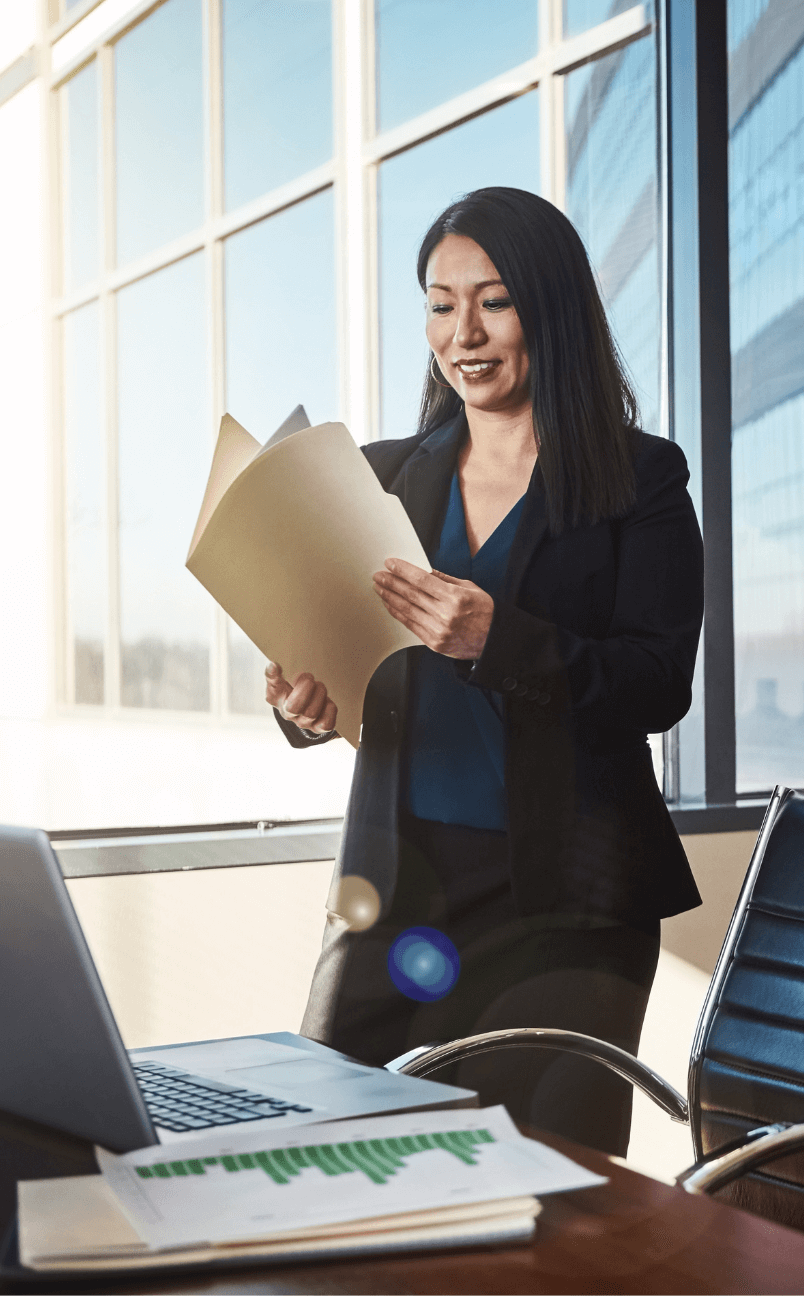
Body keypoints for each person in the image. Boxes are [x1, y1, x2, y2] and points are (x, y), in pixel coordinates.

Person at [264, 187, 703, 1156]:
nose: (463, 331)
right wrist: (303, 705)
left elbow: (658, 682)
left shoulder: (641, 482)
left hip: (568, 906)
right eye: (439, 301)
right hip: (399, 891)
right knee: (325, 1153)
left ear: (548, 308)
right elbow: (340, 664)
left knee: (545, 1192)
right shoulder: (378, 478)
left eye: (493, 300)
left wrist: (499, 641)